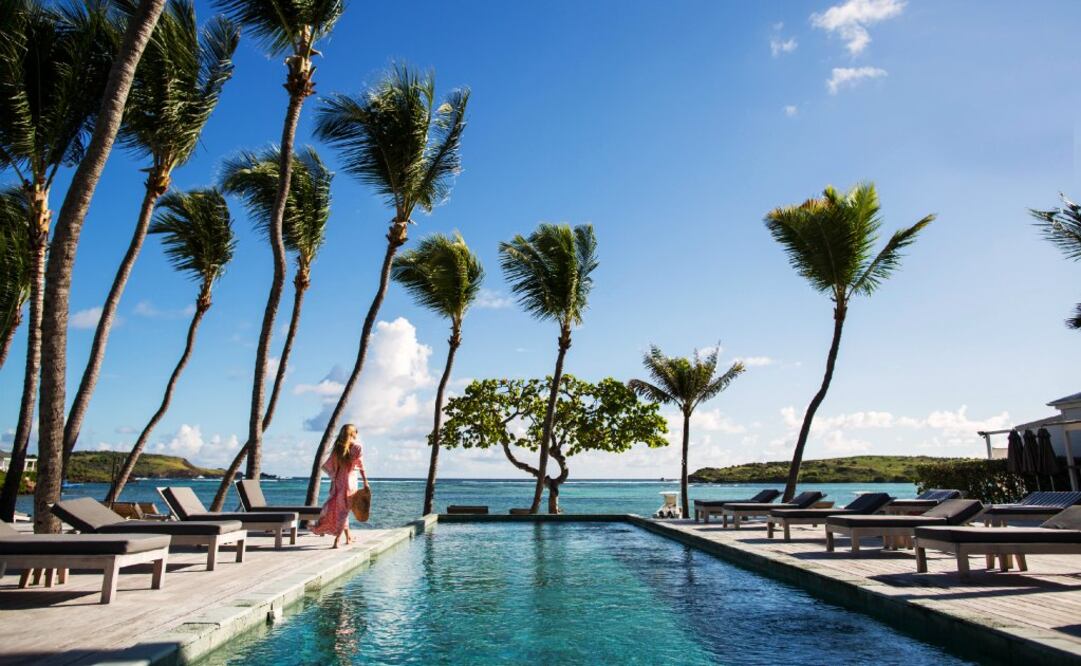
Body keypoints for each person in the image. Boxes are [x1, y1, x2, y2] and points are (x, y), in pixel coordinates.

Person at [310, 423, 368, 548]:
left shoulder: (338, 448)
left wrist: (334, 482)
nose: (357, 434)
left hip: (338, 483)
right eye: (356, 432)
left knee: (341, 510)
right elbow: (361, 467)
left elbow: (332, 468)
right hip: (350, 483)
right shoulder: (357, 448)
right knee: (344, 512)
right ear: (352, 434)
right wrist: (365, 482)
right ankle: (337, 540)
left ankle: (348, 537)